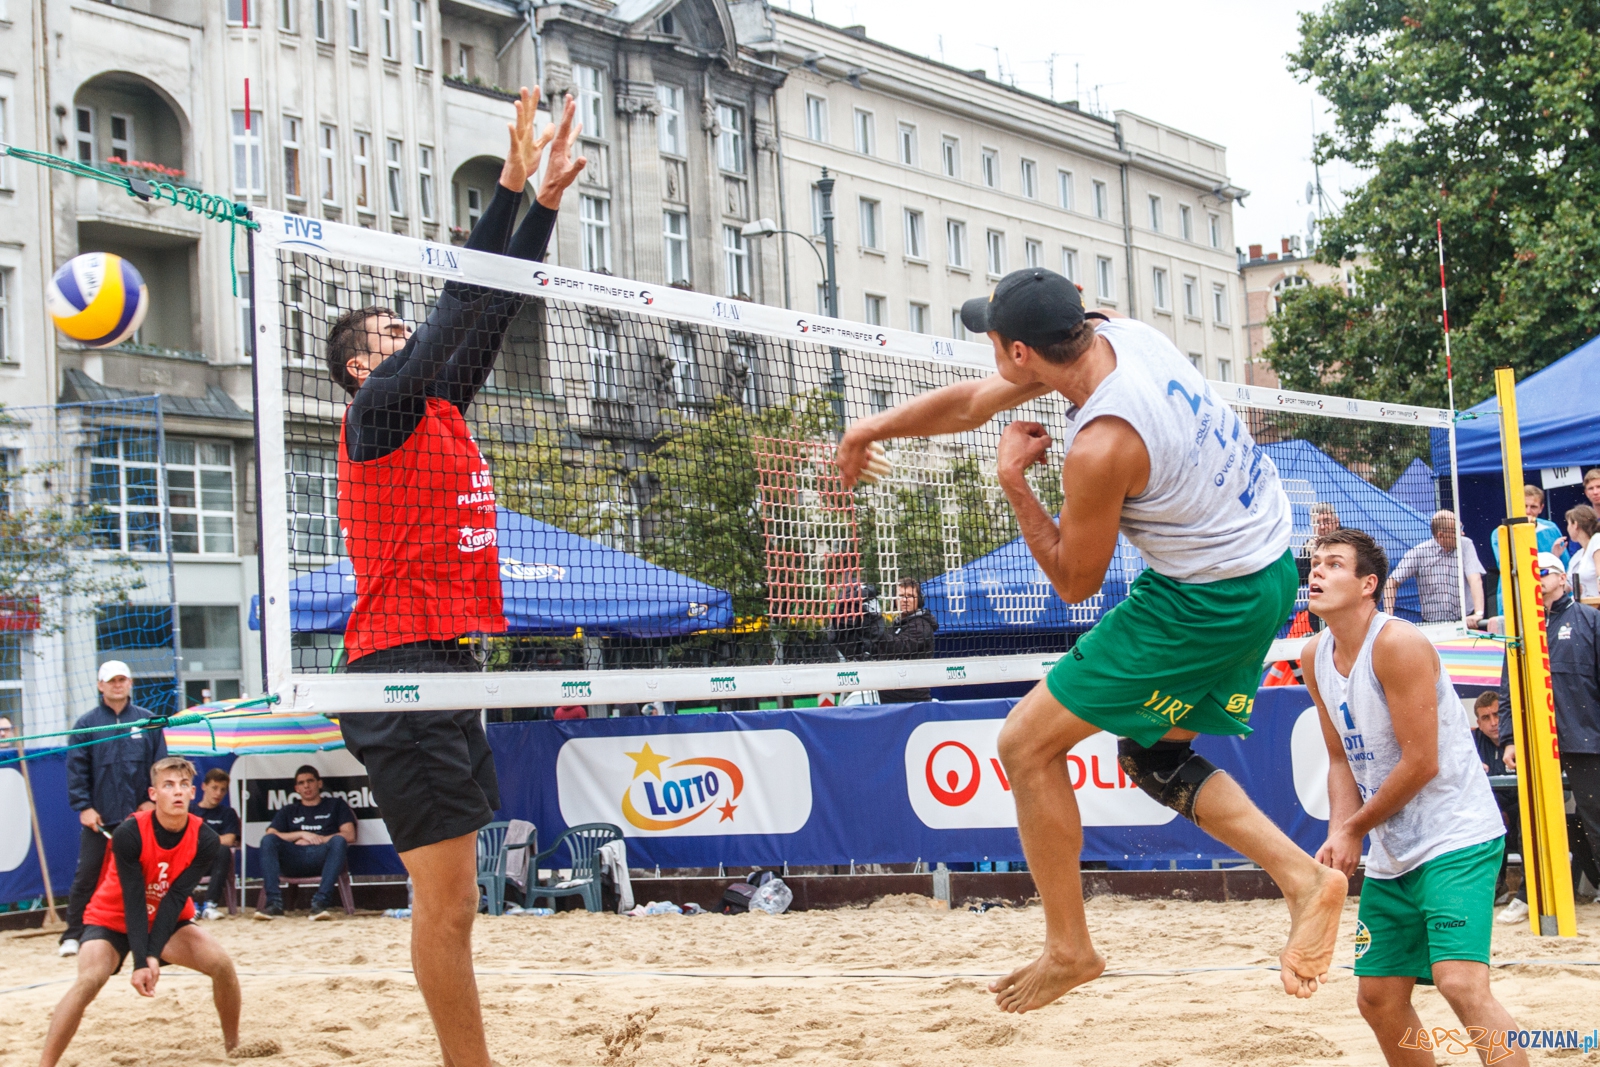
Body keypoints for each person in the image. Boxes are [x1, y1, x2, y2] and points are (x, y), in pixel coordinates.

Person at [836, 267, 1347, 1010]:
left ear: (1020, 353)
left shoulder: (1102, 442)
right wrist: (869, 427)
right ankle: (1306, 879)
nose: (993, 362)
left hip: (1206, 596)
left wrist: (1014, 481)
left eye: (993, 340)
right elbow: (977, 403)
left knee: (1025, 744)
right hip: (1263, 564)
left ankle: (1069, 947)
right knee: (1152, 754)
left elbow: (1075, 582)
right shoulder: (1117, 333)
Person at [326, 87, 585, 1067]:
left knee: (460, 897)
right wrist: (508, 182)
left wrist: (544, 206)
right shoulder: (380, 414)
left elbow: (491, 303)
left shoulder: (438, 407)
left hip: (446, 665)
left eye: (399, 331)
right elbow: (450, 310)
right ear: (358, 368)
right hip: (398, 669)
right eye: (383, 334)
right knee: (447, 900)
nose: (404, 339)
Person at [1300, 528, 1526, 1067]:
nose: (1316, 572)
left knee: (1460, 983)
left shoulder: (1397, 643)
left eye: (1333, 564)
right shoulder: (1314, 654)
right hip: (1394, 850)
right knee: (1378, 999)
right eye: (1314, 563)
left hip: (1456, 836)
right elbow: (1339, 758)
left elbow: (1422, 763)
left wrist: (1353, 828)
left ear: (1368, 585)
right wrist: (1340, 829)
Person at [39, 757, 239, 1067]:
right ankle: (45, 1064)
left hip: (166, 918)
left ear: (192, 793)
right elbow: (133, 899)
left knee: (222, 965)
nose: (176, 792)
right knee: (90, 979)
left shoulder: (205, 838)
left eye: (183, 786)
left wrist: (151, 953)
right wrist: (139, 962)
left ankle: (233, 1049)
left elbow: (174, 900)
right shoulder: (129, 832)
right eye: (168, 785)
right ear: (153, 793)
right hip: (112, 918)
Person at [1495, 553, 1600, 923]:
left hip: (1586, 737)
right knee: (1533, 818)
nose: (1536, 579)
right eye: (1531, 574)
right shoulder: (1521, 629)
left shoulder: (1589, 620)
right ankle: (1529, 894)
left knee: (1596, 815)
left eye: (1543, 572)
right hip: (1535, 739)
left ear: (1563, 579)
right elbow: (1508, 690)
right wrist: (1509, 739)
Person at [59, 660, 166, 957]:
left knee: (149, 874)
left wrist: (152, 800)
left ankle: (156, 929)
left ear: (130, 683)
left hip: (140, 815)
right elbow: (76, 770)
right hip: (101, 817)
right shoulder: (86, 724)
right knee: (88, 875)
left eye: (123, 679)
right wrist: (84, 807)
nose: (118, 684)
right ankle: (73, 935)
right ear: (100, 685)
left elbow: (160, 765)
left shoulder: (148, 721)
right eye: (112, 680)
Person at [255, 764, 356, 920]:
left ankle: (320, 905)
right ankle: (273, 904)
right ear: (296, 788)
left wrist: (319, 839)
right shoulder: (289, 810)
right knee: (268, 841)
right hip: (294, 858)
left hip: (322, 857)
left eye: (310, 781)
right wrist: (301, 834)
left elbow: (350, 834)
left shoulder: (335, 805)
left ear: (319, 783)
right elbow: (271, 834)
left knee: (339, 841)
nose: (306, 786)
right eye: (301, 783)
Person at [1383, 511, 1485, 626]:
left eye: (1461, 527)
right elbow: (1391, 583)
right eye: (1456, 530)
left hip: (1465, 621)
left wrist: (1478, 613)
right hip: (1433, 624)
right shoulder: (1419, 552)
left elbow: (1475, 579)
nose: (1462, 533)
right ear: (1441, 535)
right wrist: (1389, 618)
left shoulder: (1466, 544)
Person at [875, 578, 940, 703]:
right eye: (901, 596)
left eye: (910, 596)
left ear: (919, 600)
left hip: (913, 703)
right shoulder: (896, 625)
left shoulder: (921, 626)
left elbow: (897, 647)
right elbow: (879, 650)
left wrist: (874, 625)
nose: (905, 600)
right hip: (890, 703)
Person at [191, 768, 240, 920]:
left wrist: (201, 842)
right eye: (214, 788)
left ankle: (210, 905)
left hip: (214, 862)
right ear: (203, 786)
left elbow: (229, 840)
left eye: (223, 790)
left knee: (224, 850)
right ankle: (190, 906)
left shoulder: (227, 813)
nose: (218, 793)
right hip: (189, 860)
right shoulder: (189, 811)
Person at [1491, 484, 1567, 567]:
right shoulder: (1500, 532)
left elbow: (1565, 564)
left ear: (1541, 508)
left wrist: (1555, 557)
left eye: (1533, 507)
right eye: (1524, 506)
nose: (1528, 511)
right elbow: (1505, 566)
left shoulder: (1551, 528)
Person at [1565, 503, 1598, 600]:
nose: (1567, 528)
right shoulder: (1577, 556)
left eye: (1568, 523)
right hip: (1583, 610)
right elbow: (1568, 585)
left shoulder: (1597, 540)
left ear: (1575, 525)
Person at [1471, 692, 1506, 776]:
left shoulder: (1523, 737)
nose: (1493, 723)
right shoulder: (1469, 741)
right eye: (1486, 718)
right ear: (1479, 724)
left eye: (1497, 715)